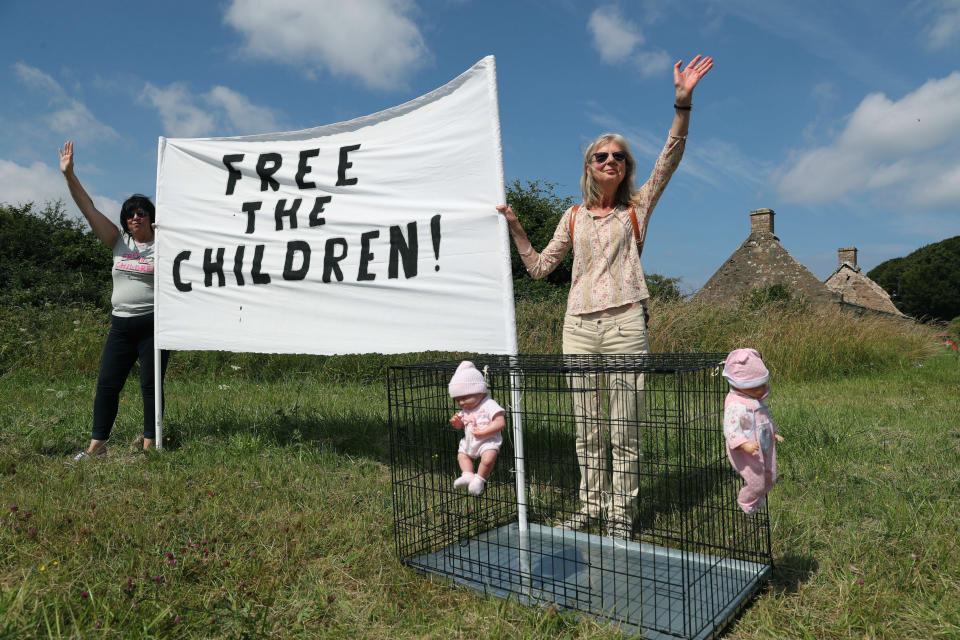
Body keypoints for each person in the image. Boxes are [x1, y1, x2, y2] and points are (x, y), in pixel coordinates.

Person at [497, 55, 714, 539]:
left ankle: (621, 514)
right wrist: (515, 227)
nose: (610, 161)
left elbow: (670, 157)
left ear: (626, 167)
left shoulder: (637, 208)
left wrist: (682, 104)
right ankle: (590, 505)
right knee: (587, 427)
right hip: (577, 326)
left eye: (618, 156)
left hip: (624, 325)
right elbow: (538, 269)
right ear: (590, 167)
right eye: (601, 156)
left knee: (624, 430)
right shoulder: (572, 216)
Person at [59, 141, 170, 459]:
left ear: (151, 218)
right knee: (107, 384)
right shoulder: (117, 241)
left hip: (153, 324)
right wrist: (70, 175)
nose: (136, 217)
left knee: (150, 385)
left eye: (142, 213)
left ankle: (150, 444)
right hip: (120, 325)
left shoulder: (165, 244)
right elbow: (89, 208)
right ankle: (97, 447)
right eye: (130, 214)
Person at [722, 348, 784, 514]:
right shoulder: (736, 404)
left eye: (763, 385)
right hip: (746, 449)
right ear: (740, 385)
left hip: (764, 443)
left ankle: (758, 497)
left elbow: (765, 417)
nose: (762, 390)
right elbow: (731, 427)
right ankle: (746, 501)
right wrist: (742, 444)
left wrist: (774, 432)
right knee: (756, 480)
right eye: (756, 386)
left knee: (770, 476)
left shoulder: (756, 399)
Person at [448, 361, 506, 496]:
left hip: (488, 441)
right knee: (462, 455)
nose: (461, 403)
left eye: (464, 398)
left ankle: (479, 479)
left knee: (488, 459)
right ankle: (467, 475)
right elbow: (459, 426)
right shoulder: (466, 409)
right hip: (470, 442)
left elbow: (500, 422)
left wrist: (484, 432)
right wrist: (456, 423)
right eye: (457, 400)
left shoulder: (489, 404)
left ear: (479, 391)